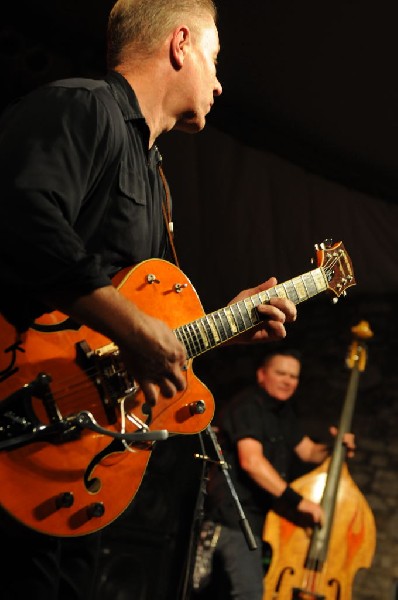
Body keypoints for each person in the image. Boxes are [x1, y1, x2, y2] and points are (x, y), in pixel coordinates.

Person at [0, 1, 297, 599]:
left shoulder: (154, 175)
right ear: (179, 43)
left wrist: (222, 327)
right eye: (213, 61)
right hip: (18, 414)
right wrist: (136, 332)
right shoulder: (83, 107)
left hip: (74, 458)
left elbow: (137, 319)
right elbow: (23, 218)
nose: (218, 81)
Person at [194, 349, 355, 600]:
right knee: (248, 595)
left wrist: (335, 446)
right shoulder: (248, 405)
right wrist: (299, 502)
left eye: (294, 376)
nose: (288, 381)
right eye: (281, 373)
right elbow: (252, 462)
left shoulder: (283, 413)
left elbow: (309, 452)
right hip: (232, 519)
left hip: (258, 522)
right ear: (262, 374)